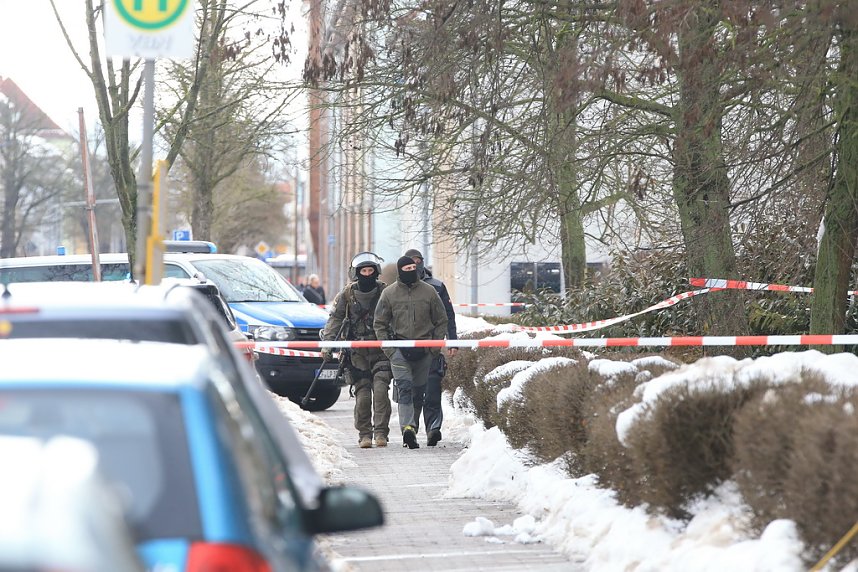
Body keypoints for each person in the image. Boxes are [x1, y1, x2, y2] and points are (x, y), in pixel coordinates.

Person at [374, 255, 448, 449]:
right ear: (400, 271)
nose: (410, 272)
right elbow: (379, 323)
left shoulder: (430, 292)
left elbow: (442, 320)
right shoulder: (389, 294)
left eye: (412, 269)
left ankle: (413, 429)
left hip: (425, 351)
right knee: (405, 388)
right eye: (405, 269)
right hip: (399, 350)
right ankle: (408, 428)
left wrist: (434, 346)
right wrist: (389, 349)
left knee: (418, 391)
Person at [322, 252, 391, 448]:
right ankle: (365, 434)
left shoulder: (386, 292)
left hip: (381, 351)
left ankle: (381, 433)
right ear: (356, 272)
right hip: (357, 353)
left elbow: (397, 317)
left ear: (375, 272)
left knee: (380, 391)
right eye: (363, 270)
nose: (367, 274)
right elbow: (334, 320)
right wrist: (328, 345)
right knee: (363, 395)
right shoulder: (346, 294)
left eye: (370, 270)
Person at [404, 248, 457, 447]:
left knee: (432, 389)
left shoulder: (437, 286)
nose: (415, 266)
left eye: (418, 261)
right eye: (411, 262)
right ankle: (410, 430)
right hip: (407, 349)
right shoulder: (397, 289)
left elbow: (448, 316)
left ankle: (433, 429)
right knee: (412, 392)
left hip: (432, 347)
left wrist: (452, 340)